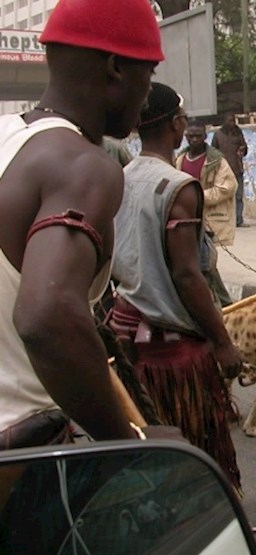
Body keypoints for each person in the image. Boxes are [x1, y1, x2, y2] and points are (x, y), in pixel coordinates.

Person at [0, 0, 166, 448]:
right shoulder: (83, 166)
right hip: (22, 454)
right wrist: (127, 443)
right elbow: (46, 317)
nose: (148, 93)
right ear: (115, 68)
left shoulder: (7, 137)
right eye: (147, 74)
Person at [109, 83, 245, 493]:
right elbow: (188, 274)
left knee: (151, 445)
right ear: (176, 125)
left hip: (129, 338)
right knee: (195, 445)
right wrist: (222, 342)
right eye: (184, 119)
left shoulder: (121, 177)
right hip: (174, 353)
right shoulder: (177, 187)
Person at [176, 119, 237, 307]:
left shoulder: (216, 161)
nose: (194, 140)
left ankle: (225, 305)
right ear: (186, 136)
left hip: (208, 220)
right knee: (196, 265)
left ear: (205, 136)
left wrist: (197, 197)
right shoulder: (180, 159)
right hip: (186, 220)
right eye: (190, 136)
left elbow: (228, 187)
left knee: (206, 264)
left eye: (198, 136)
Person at [211, 111, 249, 227]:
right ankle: (226, 219)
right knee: (224, 197)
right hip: (223, 171)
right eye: (230, 120)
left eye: (234, 120)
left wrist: (242, 150)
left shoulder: (238, 133)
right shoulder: (218, 135)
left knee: (238, 196)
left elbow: (245, 148)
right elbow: (213, 151)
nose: (232, 123)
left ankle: (238, 220)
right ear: (224, 122)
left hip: (237, 169)